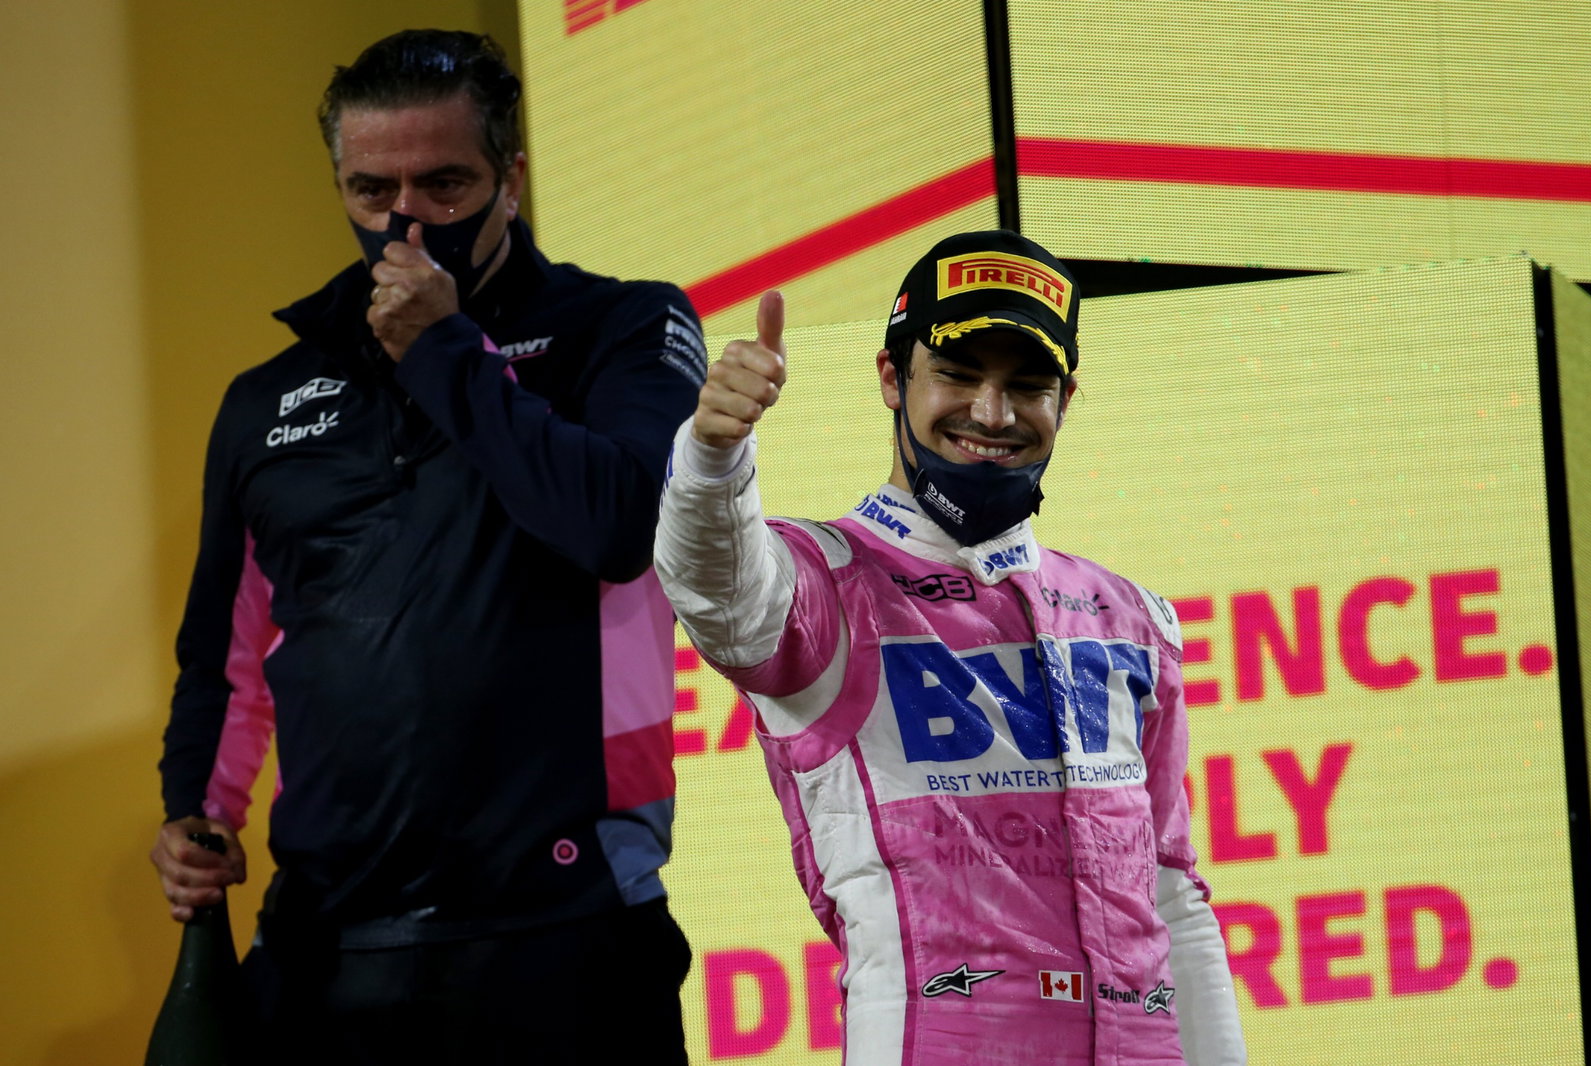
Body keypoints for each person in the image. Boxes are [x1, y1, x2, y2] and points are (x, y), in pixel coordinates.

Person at [149, 30, 701, 1064]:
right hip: (325, 942)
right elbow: (224, 654)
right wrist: (196, 813)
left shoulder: (623, 328)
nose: (405, 219)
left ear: (513, 178)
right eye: (371, 190)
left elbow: (619, 525)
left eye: (446, 184)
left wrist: (447, 349)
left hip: (567, 925)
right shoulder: (265, 397)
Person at [654, 230, 1247, 1064]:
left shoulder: (1129, 616)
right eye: (959, 376)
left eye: (1028, 385)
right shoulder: (823, 583)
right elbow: (715, 588)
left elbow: (1172, 894)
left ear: (1065, 398)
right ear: (893, 379)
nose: (993, 413)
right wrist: (712, 457)